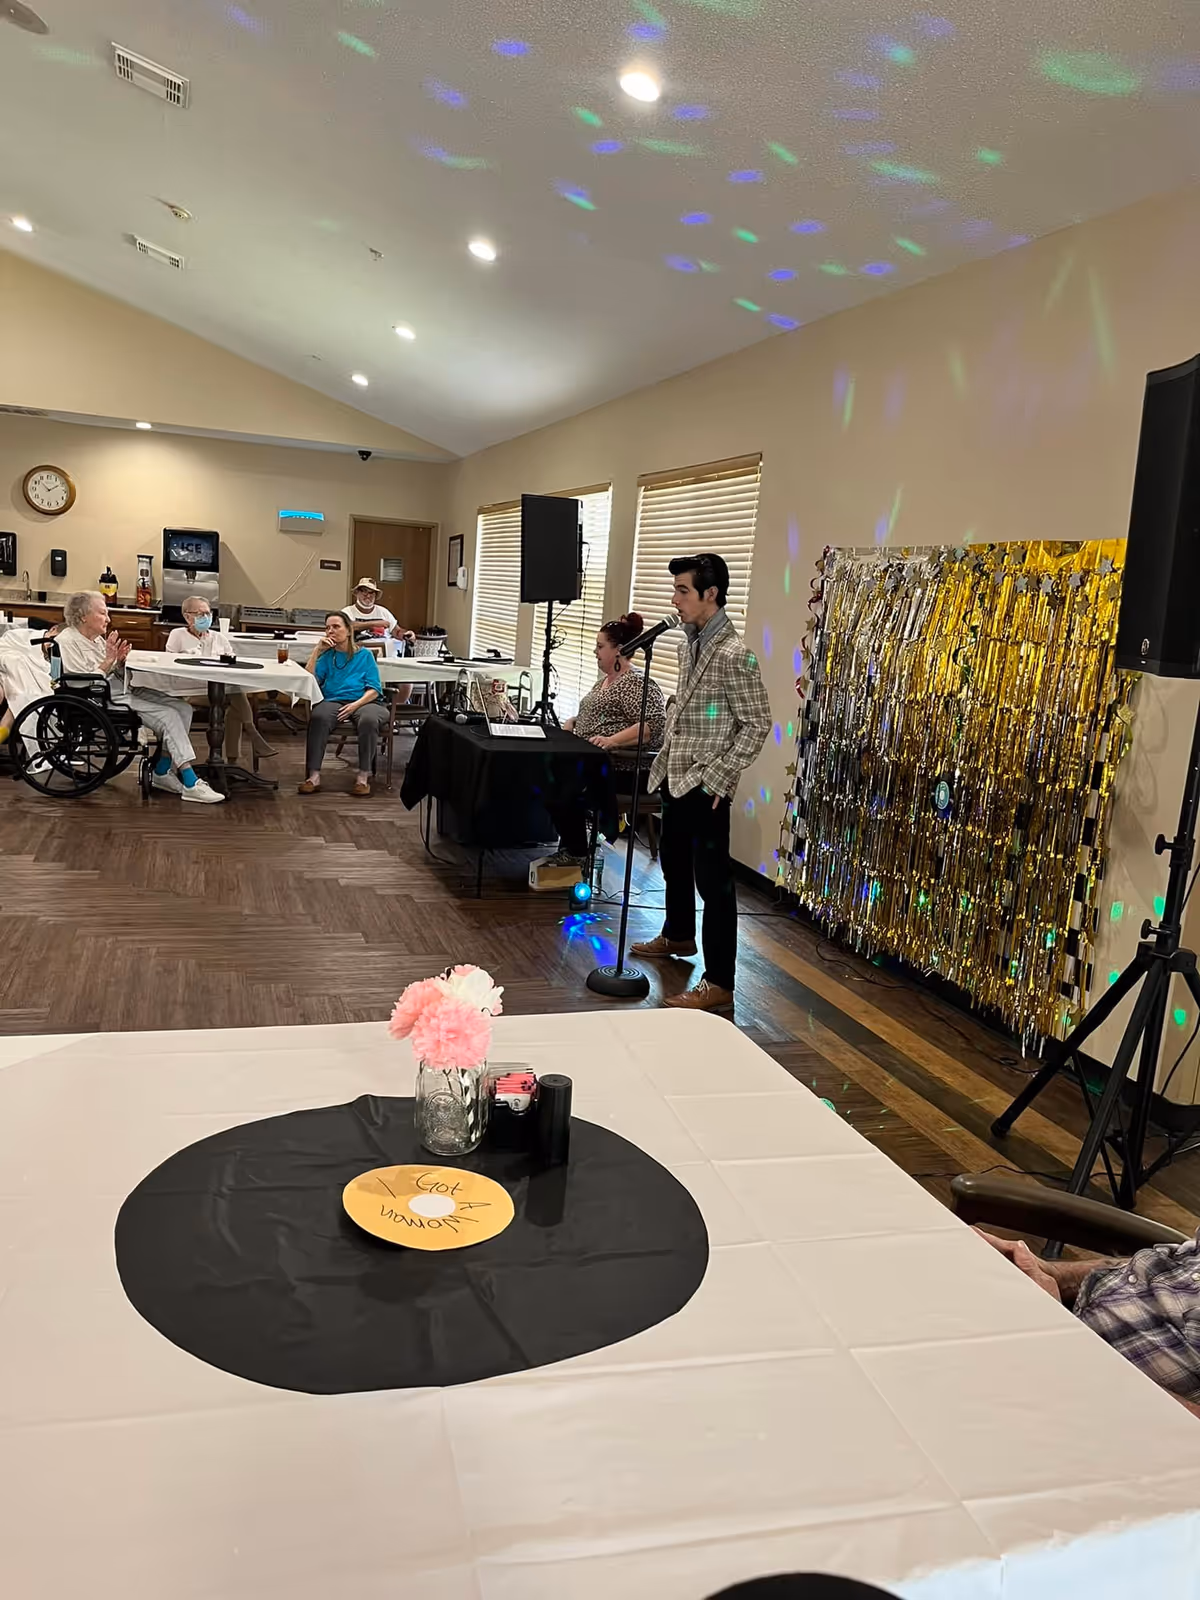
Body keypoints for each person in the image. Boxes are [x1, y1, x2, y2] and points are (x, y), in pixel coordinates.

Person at [631, 553, 771, 1012]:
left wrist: (720, 778)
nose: (675, 599)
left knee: (714, 885)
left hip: (707, 784)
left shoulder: (735, 655)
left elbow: (757, 724)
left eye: (683, 590)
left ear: (711, 594)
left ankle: (720, 982)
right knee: (673, 863)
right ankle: (678, 934)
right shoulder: (687, 645)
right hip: (675, 774)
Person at [976, 1226, 1200, 1418]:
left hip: (1100, 1410)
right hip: (1054, 1347)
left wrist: (1067, 1339)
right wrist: (1057, 1275)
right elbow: (1183, 1264)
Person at [55, 592, 224, 802]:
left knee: (183, 708)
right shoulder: (67, 640)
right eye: (103, 613)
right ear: (83, 616)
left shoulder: (95, 640)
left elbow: (108, 673)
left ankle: (161, 771)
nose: (108, 619)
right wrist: (108, 661)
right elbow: (80, 683)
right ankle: (190, 781)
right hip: (99, 699)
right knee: (169, 716)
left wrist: (118, 662)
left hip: (119, 689)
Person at [545, 613, 668, 864]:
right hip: (591, 761)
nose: (595, 652)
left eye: (600, 646)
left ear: (619, 650)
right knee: (547, 777)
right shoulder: (604, 682)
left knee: (562, 786)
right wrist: (573, 722)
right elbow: (595, 716)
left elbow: (652, 725)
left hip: (623, 769)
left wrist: (613, 740)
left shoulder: (635, 683)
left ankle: (578, 852)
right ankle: (573, 846)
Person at [165, 597, 277, 765]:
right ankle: (251, 734)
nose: (206, 617)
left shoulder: (219, 638)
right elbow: (169, 664)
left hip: (220, 688)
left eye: (208, 613)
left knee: (235, 700)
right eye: (201, 614)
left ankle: (231, 761)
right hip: (190, 690)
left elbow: (232, 664)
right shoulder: (177, 635)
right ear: (187, 616)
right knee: (236, 695)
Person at [299, 612, 389, 797]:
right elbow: (309, 680)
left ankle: (363, 777)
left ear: (348, 630)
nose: (330, 631)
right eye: (327, 628)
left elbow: (374, 689)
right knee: (319, 717)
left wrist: (355, 705)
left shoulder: (364, 655)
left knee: (369, 720)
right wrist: (317, 650)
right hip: (333, 700)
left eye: (336, 626)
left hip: (365, 701)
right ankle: (313, 776)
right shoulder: (327, 656)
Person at [0, 623, 58, 747]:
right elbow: (4, 645)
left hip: (17, 682)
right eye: (52, 638)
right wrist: (15, 662)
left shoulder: (51, 656)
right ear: (53, 629)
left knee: (20, 700)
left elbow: (48, 677)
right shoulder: (24, 635)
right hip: (4, 668)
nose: (50, 645)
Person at [341, 578, 415, 642]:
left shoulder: (384, 612)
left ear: (375, 595)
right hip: (358, 652)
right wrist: (376, 624)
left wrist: (406, 634)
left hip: (383, 652)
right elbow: (347, 627)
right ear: (357, 593)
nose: (368, 595)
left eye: (371, 592)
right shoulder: (347, 612)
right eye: (364, 591)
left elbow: (397, 632)